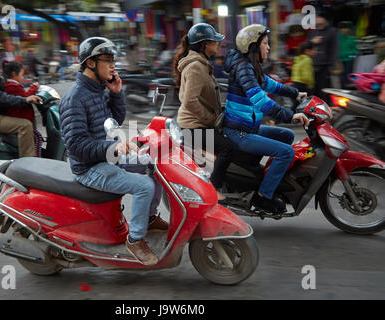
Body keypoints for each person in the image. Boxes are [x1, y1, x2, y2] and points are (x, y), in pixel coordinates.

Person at [59, 37, 167, 266]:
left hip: (108, 157)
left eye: (112, 60)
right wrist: (113, 147)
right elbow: (76, 145)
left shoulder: (98, 89)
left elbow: (113, 120)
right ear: (90, 63)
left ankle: (148, 218)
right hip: (89, 168)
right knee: (143, 186)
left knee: (155, 162)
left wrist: (117, 93)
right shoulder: (74, 99)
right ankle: (136, 240)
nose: (112, 65)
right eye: (107, 60)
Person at [223, 24, 309, 213]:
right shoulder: (243, 68)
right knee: (286, 151)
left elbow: (272, 85)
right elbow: (261, 101)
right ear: (253, 47)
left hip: (249, 128)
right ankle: (263, 197)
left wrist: (295, 93)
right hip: (239, 132)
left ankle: (269, 181)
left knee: (286, 136)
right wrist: (291, 115)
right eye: (265, 43)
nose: (268, 47)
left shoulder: (251, 67)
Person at [173, 23, 239, 204]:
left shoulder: (202, 64)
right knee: (229, 148)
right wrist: (211, 119)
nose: (217, 44)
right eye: (214, 41)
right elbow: (190, 101)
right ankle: (214, 188)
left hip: (201, 124)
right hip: (193, 128)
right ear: (203, 45)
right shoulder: (196, 67)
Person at [3, 61, 43, 157]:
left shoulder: (10, 85)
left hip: (21, 117)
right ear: (14, 74)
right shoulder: (12, 87)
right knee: (33, 140)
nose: (23, 78)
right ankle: (28, 159)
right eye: (22, 75)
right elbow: (26, 98)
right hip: (21, 119)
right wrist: (34, 87)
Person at [308, 13, 338, 101]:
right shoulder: (313, 31)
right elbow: (306, 47)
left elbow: (334, 49)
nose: (317, 21)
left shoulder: (332, 31)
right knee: (313, 90)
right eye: (316, 19)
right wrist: (312, 42)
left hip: (325, 66)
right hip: (312, 65)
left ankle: (326, 109)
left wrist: (331, 65)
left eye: (320, 19)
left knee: (324, 90)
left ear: (325, 20)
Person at [291, 41, 316, 108]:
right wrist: (311, 86)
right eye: (313, 50)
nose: (315, 52)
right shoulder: (308, 60)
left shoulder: (298, 59)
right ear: (307, 51)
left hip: (295, 84)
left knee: (297, 105)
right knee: (304, 105)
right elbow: (307, 77)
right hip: (302, 86)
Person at [337, 21, 358, 89]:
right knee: (339, 78)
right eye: (342, 28)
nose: (344, 30)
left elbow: (356, 52)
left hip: (348, 61)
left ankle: (346, 91)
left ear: (349, 29)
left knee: (347, 77)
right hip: (339, 61)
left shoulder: (352, 39)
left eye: (345, 28)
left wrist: (348, 56)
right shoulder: (337, 38)